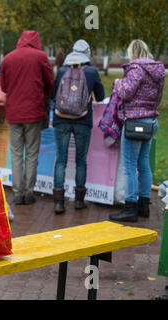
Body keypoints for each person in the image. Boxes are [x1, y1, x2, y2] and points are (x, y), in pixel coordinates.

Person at [109, 40, 165, 222]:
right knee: (144, 164)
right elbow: (158, 97)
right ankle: (144, 205)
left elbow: (125, 93)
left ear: (133, 52)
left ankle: (130, 207)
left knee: (129, 166)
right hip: (150, 121)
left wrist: (118, 82)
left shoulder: (136, 69)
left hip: (134, 122)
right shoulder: (158, 71)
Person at [0, 30, 54, 205]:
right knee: (31, 153)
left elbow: (3, 86)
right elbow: (49, 84)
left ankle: (17, 192)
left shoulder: (8, 58)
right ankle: (28, 193)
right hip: (34, 112)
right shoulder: (40, 57)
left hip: (14, 113)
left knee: (15, 152)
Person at [50, 40, 105, 214]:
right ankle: (79, 201)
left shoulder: (62, 70)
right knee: (81, 160)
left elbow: (53, 95)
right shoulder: (92, 71)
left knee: (61, 159)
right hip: (83, 120)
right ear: (87, 53)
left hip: (61, 119)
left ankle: (59, 202)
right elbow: (101, 96)